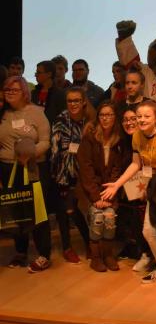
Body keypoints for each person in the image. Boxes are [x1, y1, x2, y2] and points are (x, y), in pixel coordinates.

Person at [100, 100, 156, 290]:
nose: (141, 120)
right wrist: (117, 184)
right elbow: (136, 164)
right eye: (139, 116)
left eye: (146, 116)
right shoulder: (137, 137)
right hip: (155, 184)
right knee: (148, 232)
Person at [0, 76, 52, 272]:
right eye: (7, 90)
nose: (10, 93)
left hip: (32, 168)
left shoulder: (37, 113)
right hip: (7, 169)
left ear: (24, 92)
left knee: (38, 211)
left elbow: (46, 141)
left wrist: (29, 155)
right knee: (15, 209)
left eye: (14, 90)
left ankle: (43, 254)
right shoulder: (3, 113)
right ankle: (20, 252)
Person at [77, 101, 128, 272]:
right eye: (102, 115)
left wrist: (108, 195)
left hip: (110, 191)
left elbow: (117, 170)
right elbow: (86, 170)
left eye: (109, 115)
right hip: (90, 191)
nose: (105, 118)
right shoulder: (89, 138)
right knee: (98, 217)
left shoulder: (118, 140)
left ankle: (108, 255)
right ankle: (96, 257)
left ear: (115, 118)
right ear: (98, 117)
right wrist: (96, 197)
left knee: (110, 217)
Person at [51, 86, 95, 264]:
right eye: (70, 101)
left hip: (84, 172)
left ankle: (90, 243)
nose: (73, 104)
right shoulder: (61, 119)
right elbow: (54, 149)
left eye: (77, 100)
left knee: (82, 211)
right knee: (66, 211)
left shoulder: (90, 121)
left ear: (83, 101)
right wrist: (55, 173)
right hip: (64, 172)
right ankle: (67, 247)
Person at [116, 108, 151, 271]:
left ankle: (149, 255)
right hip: (129, 189)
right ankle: (141, 252)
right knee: (134, 221)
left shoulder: (146, 139)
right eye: (125, 119)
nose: (129, 123)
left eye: (133, 119)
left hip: (146, 187)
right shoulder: (123, 142)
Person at [31, 60, 66, 125]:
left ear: (49, 74)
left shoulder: (60, 94)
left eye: (38, 72)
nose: (35, 75)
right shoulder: (33, 93)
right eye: (36, 72)